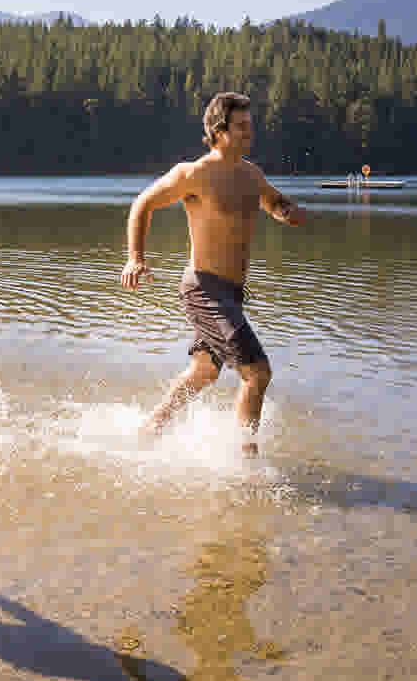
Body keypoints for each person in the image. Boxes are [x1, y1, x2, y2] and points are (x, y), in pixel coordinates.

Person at [120, 92, 306, 456]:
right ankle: (246, 460)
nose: (249, 133)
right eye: (240, 127)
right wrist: (135, 258)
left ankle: (149, 431)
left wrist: (288, 211)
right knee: (258, 373)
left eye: (250, 126)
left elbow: (273, 202)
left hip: (231, 294)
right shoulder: (194, 173)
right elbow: (143, 203)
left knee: (204, 370)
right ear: (218, 131)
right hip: (204, 291)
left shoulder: (252, 175)